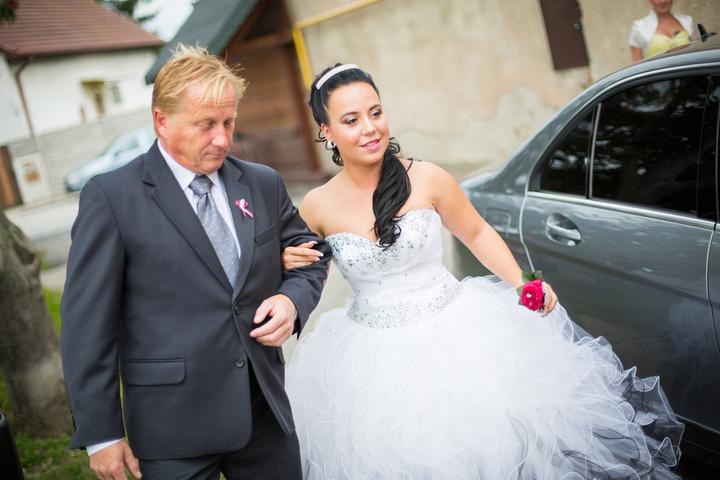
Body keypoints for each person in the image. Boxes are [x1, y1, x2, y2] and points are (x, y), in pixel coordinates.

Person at [281, 64, 684, 479]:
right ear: (326, 130)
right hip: (372, 364)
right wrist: (288, 263)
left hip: (458, 338)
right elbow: (308, 276)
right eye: (351, 120)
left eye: (376, 112)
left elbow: (476, 233)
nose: (369, 128)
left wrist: (523, 284)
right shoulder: (316, 205)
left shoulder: (428, 177)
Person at [60, 44, 331, 480]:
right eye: (206, 124)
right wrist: (101, 433)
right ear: (161, 121)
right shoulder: (111, 198)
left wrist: (290, 301)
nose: (222, 139)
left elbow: (311, 255)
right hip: (171, 430)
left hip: (263, 415)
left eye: (228, 122)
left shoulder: (261, 182)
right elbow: (86, 325)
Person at [629, 0, 697, 61]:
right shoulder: (638, 27)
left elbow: (696, 52)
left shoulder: (687, 21)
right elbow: (636, 64)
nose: (663, 1)